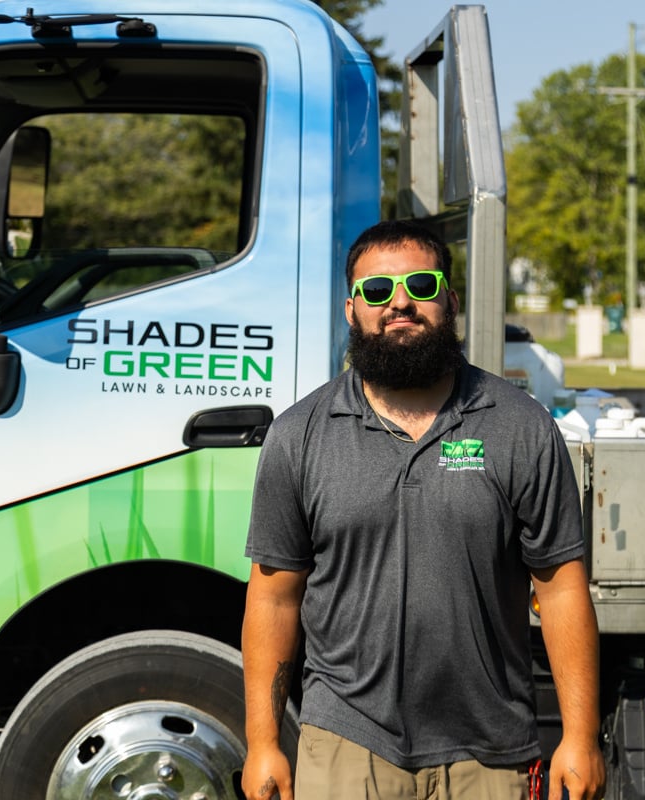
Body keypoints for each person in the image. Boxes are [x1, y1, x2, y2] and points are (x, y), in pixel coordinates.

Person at [241, 219, 605, 800]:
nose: (401, 303)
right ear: (352, 309)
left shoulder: (519, 426)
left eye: (422, 285)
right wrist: (263, 743)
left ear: (451, 301)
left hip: (489, 753)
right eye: (378, 292)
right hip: (344, 744)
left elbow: (561, 589)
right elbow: (274, 596)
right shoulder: (299, 436)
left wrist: (580, 737)